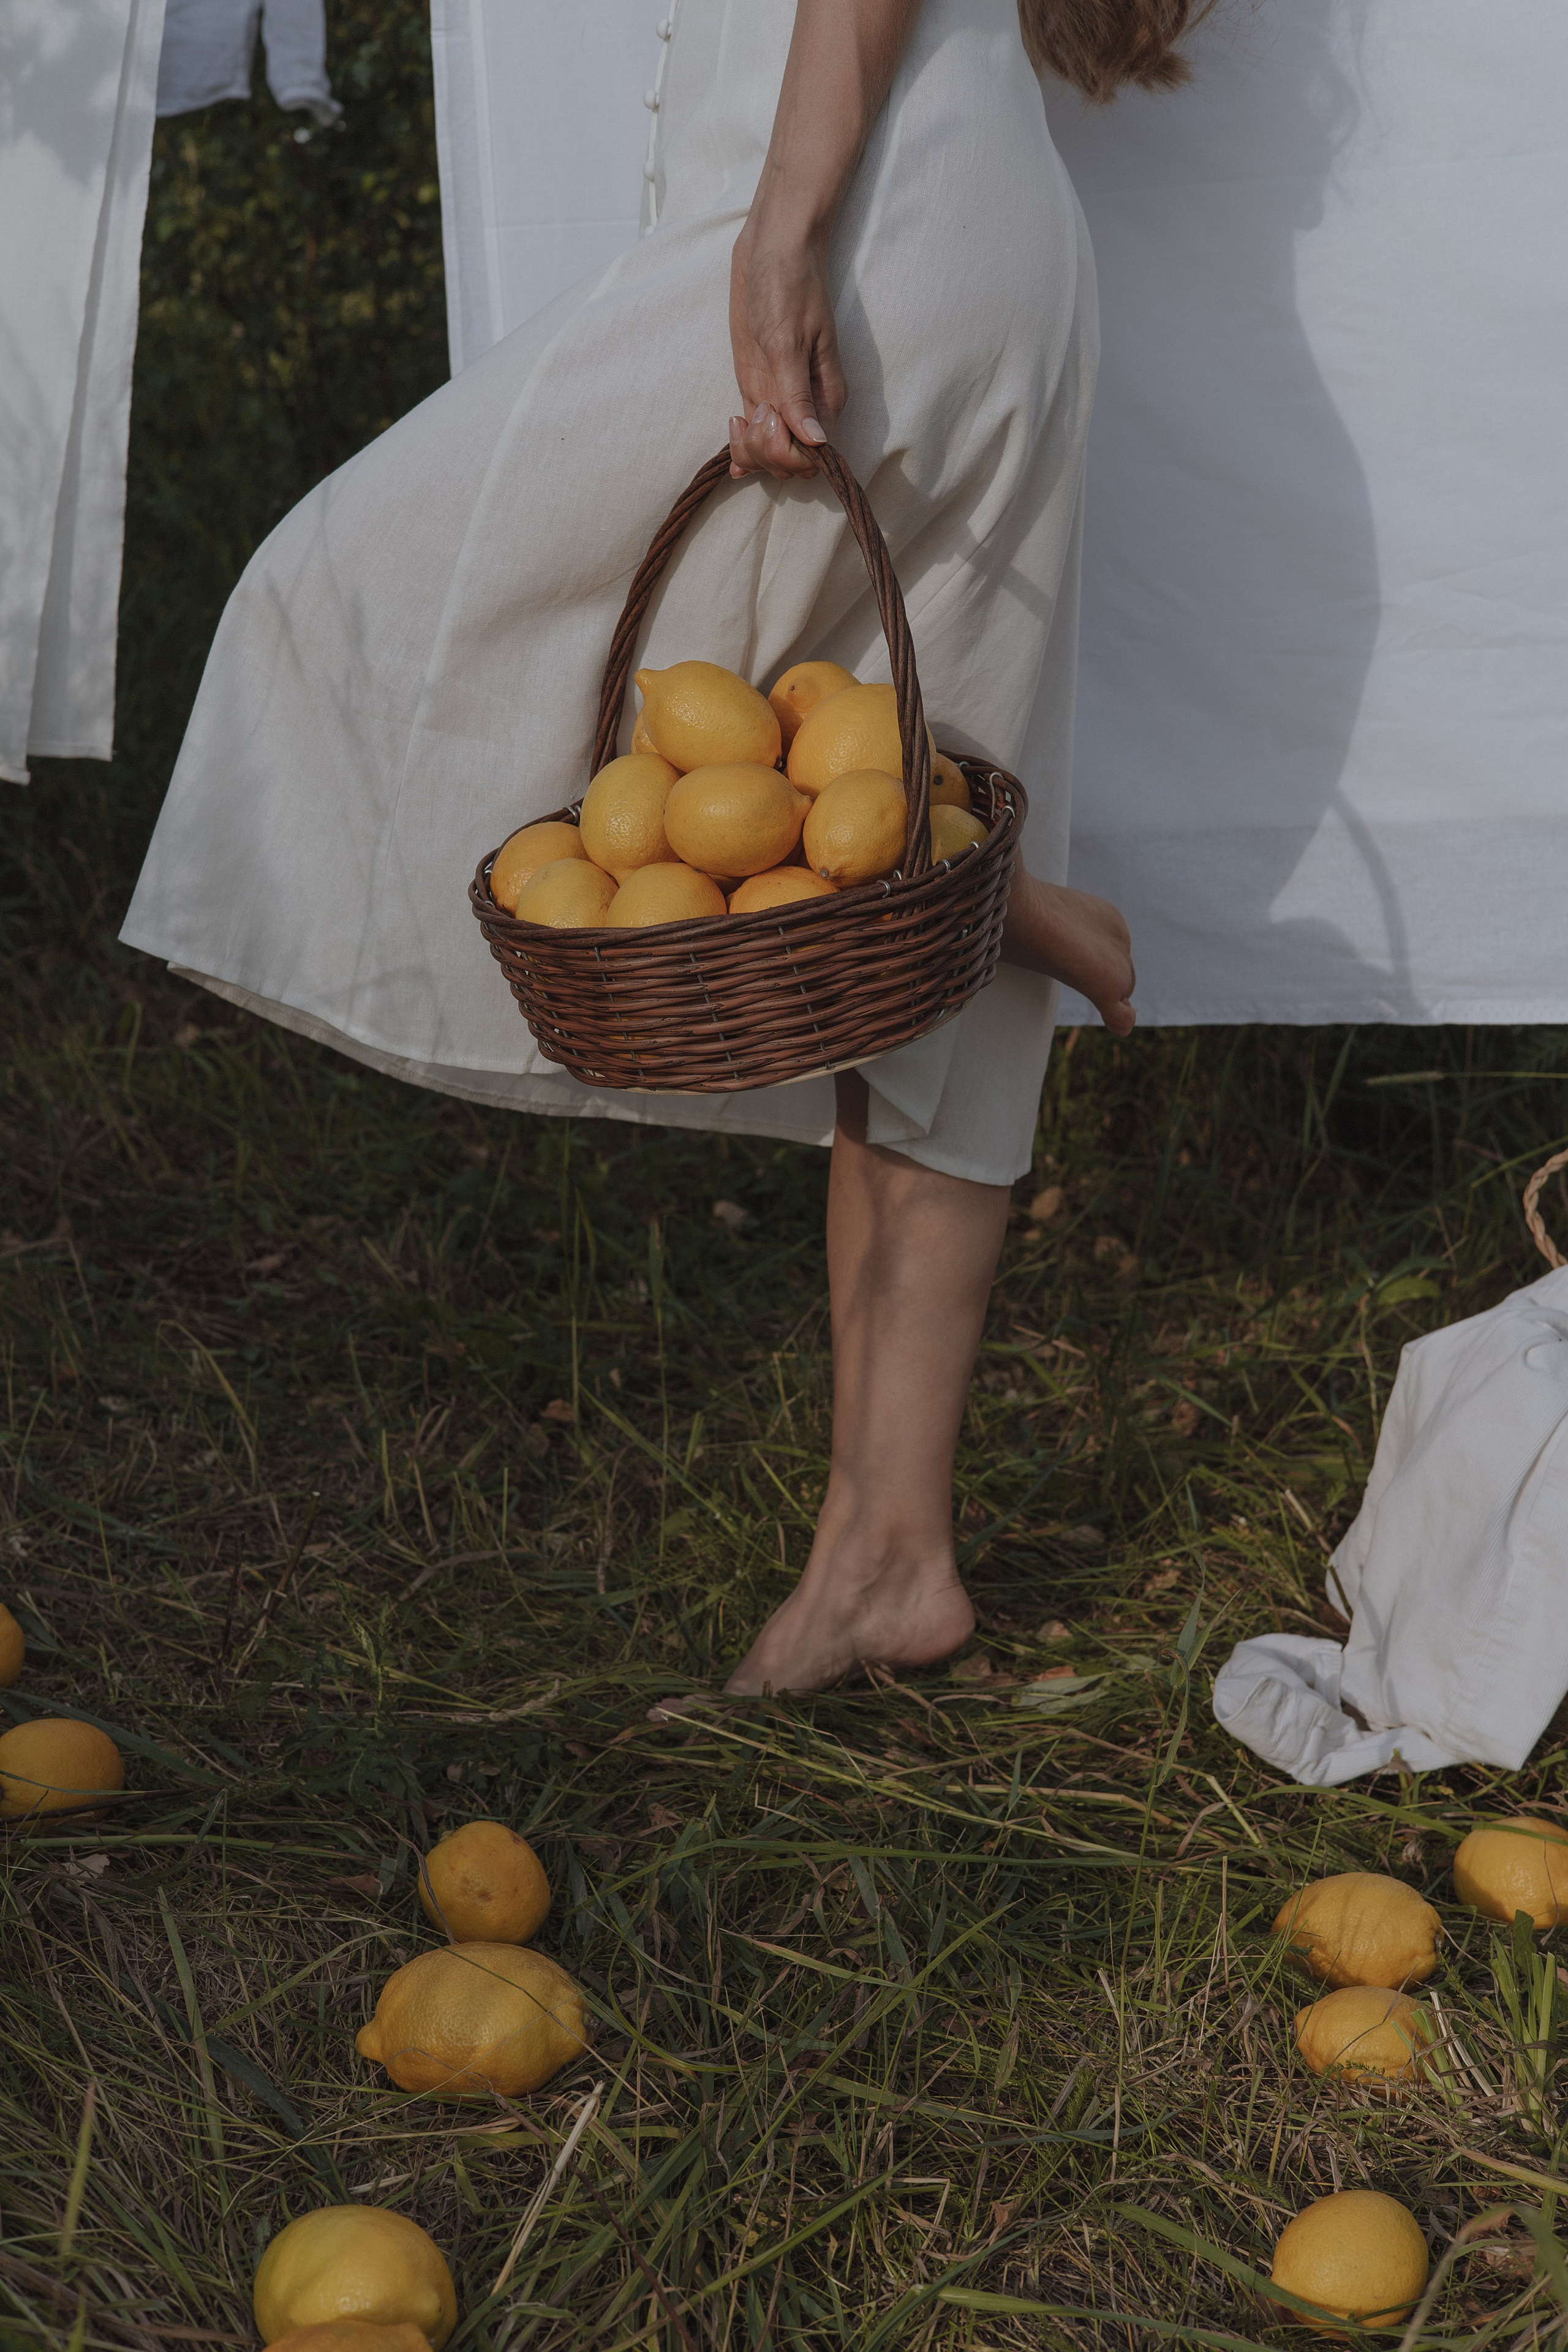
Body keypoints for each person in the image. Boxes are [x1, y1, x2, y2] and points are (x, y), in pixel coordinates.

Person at [123, 0, 1205, 1695]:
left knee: (341, 607)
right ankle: (890, 1560)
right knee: (868, 844)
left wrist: (786, 223)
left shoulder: (817, 212)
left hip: (870, 220)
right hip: (986, 228)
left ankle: (985, 902)